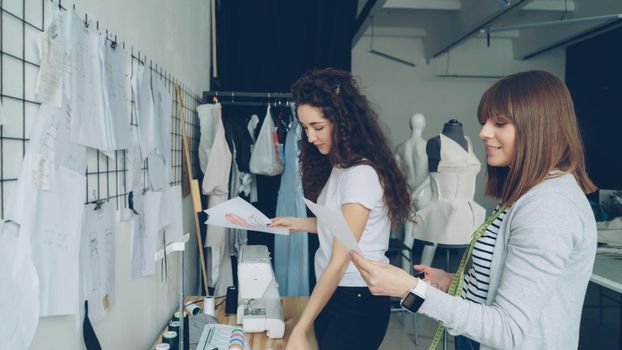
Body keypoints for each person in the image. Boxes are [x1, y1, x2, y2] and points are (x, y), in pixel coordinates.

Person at [350, 70, 597, 350]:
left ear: (539, 127)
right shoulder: (530, 194)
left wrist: (411, 290)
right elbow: (513, 286)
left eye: (499, 123)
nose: (483, 132)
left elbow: (509, 330)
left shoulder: (549, 208)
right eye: (485, 122)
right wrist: (454, 281)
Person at [269, 67, 413, 350]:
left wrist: (301, 328)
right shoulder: (340, 168)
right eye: (305, 128)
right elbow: (340, 228)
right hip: (338, 294)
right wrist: (298, 223)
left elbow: (340, 258)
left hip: (356, 300)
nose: (310, 137)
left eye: (317, 127)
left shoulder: (360, 175)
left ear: (342, 121)